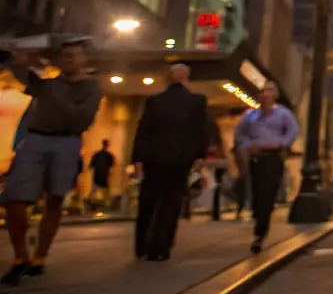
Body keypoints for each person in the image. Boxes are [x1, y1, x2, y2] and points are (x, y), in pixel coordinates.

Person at [1, 39, 102, 285]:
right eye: (65, 55)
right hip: (36, 139)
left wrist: (51, 92)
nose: (69, 60)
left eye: (74, 56)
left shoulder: (89, 87)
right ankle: (20, 257)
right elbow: (20, 71)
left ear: (83, 60)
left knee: (54, 200)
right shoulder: (46, 84)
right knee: (13, 199)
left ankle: (40, 258)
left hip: (66, 142)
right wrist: (24, 55)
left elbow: (80, 118)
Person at [131, 64, 215, 260]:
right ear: (186, 77)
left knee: (149, 199)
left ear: (168, 78)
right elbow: (201, 130)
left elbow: (143, 130)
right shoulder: (197, 101)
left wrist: (137, 158)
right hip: (180, 159)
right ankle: (161, 245)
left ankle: (142, 243)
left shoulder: (154, 101)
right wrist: (200, 155)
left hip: (154, 158)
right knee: (171, 202)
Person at [232, 81, 298, 253]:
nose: (265, 94)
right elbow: (240, 134)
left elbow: (292, 132)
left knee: (268, 193)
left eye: (268, 91)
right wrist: (248, 145)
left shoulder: (283, 114)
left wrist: (279, 144)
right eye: (262, 91)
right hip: (255, 157)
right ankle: (258, 221)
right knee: (256, 192)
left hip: (273, 158)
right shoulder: (250, 115)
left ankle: (260, 231)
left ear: (275, 94)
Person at [88, 139, 115, 212]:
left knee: (94, 192)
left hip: (98, 176)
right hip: (103, 176)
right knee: (105, 193)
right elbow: (112, 166)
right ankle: (105, 207)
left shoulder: (98, 155)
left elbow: (91, 166)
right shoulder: (109, 155)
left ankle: (92, 206)